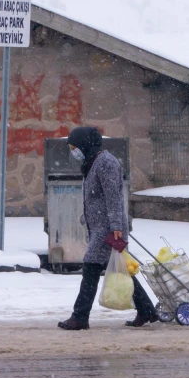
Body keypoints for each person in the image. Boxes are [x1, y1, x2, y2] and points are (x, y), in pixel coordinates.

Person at [57, 127, 158, 330]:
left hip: (109, 229)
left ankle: (80, 316)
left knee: (91, 267)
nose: (73, 152)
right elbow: (96, 197)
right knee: (119, 268)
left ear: (85, 144)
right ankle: (147, 310)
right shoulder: (92, 162)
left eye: (74, 147)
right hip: (100, 227)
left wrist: (116, 227)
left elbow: (114, 198)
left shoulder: (106, 163)